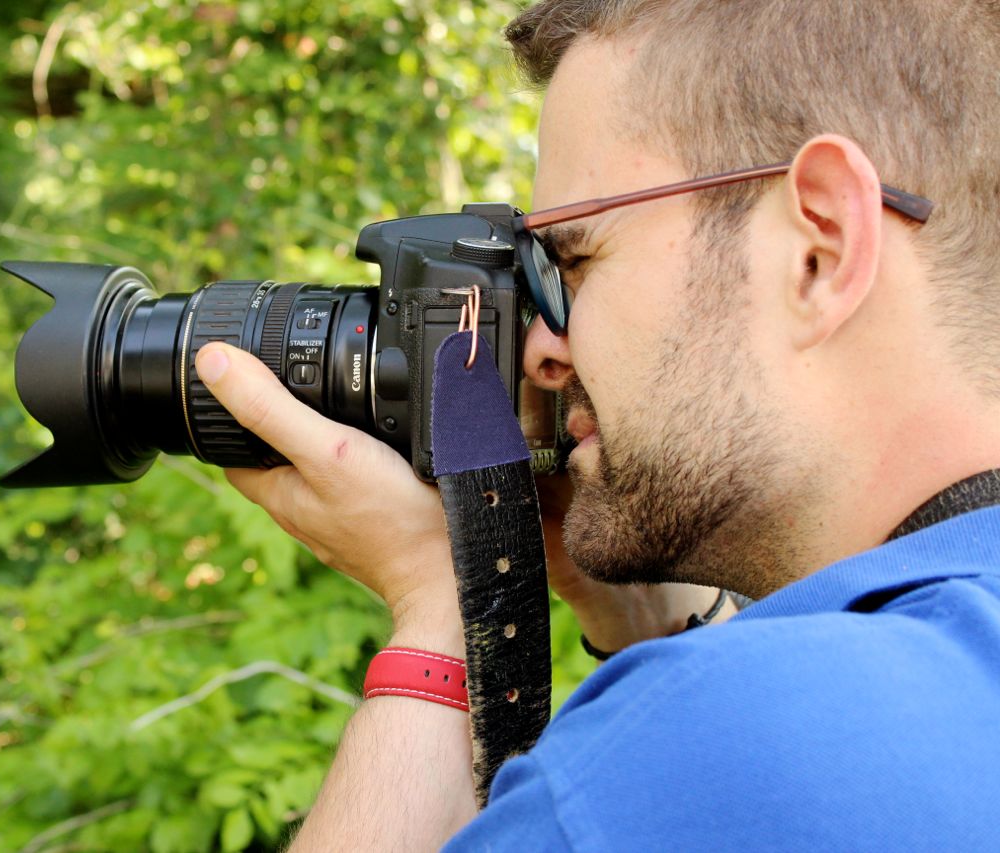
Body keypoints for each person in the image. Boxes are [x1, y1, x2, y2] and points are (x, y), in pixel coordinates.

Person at [192, 0, 1000, 848]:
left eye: (574, 261)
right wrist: (652, 623)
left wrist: (441, 601)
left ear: (819, 248)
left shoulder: (732, 737)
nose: (543, 347)